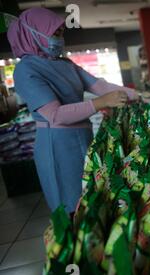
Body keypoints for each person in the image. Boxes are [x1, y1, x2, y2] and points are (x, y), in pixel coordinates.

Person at [7, 7, 138, 214]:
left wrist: (137, 95)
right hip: (58, 145)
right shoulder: (26, 70)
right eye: (55, 34)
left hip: (83, 136)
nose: (60, 39)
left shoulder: (65, 64)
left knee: (92, 197)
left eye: (61, 33)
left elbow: (99, 86)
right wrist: (100, 103)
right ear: (33, 34)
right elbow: (56, 115)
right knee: (71, 204)